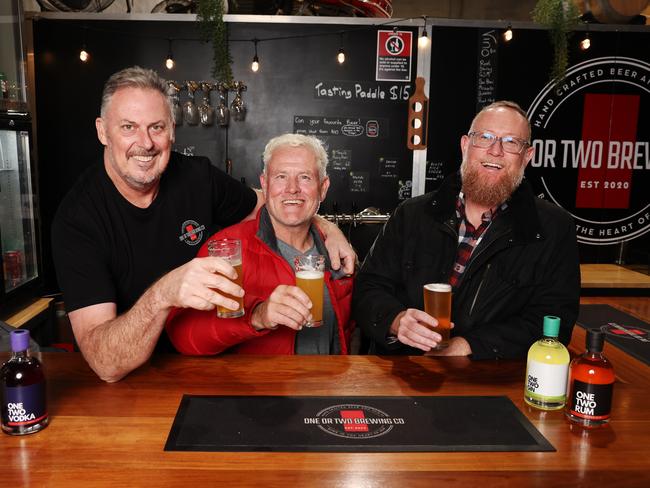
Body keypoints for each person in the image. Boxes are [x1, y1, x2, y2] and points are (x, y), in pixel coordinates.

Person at [51, 67, 355, 382]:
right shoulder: (78, 219)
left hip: (202, 372)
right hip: (126, 383)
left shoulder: (195, 177)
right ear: (102, 131)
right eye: (128, 127)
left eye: (157, 127)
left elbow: (275, 201)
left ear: (171, 131)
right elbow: (105, 364)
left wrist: (326, 228)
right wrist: (164, 293)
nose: (145, 143)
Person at [353, 100, 580, 358]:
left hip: (487, 384)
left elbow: (554, 322)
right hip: (401, 373)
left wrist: (468, 346)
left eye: (511, 142)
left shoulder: (553, 228)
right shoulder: (411, 214)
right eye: (484, 137)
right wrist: (396, 320)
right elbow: (368, 288)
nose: (495, 151)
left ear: (527, 157)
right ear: (465, 146)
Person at [166, 134, 354, 355]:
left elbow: (346, 332)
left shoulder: (337, 254)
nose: (292, 188)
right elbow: (183, 336)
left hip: (327, 387)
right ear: (264, 185)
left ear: (323, 187)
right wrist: (257, 316)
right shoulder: (226, 249)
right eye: (281, 177)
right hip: (261, 388)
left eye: (305, 177)